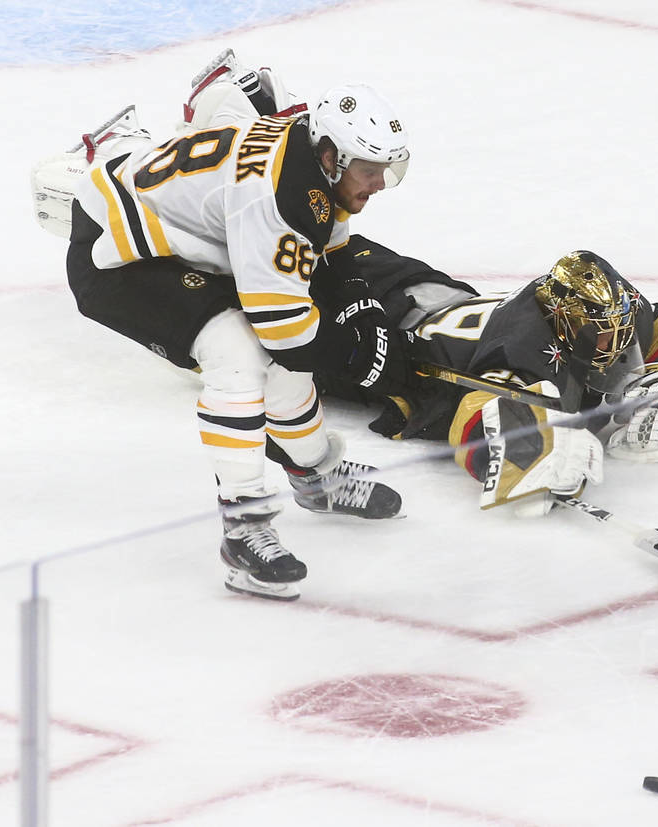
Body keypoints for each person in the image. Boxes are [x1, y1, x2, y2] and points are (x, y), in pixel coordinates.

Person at [44, 49, 418, 601]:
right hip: (116, 254)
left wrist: (357, 301)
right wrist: (355, 356)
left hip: (176, 232)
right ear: (332, 155)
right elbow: (284, 331)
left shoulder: (311, 163)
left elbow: (327, 252)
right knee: (240, 354)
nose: (381, 183)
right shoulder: (280, 197)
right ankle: (244, 534)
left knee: (286, 350)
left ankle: (313, 477)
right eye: (370, 170)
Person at [314, 238, 658, 517]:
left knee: (337, 245)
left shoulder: (614, 306)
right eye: (600, 331)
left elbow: (657, 324)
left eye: (618, 325)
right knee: (282, 308)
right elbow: (474, 415)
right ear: (565, 321)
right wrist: (523, 453)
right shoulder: (520, 351)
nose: (615, 339)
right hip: (380, 333)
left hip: (420, 286)